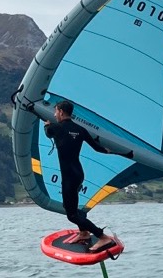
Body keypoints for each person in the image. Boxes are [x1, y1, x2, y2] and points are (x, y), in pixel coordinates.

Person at [43, 100, 116, 252]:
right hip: (78, 174)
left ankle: (102, 237)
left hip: (69, 176)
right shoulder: (80, 129)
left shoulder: (56, 127)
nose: (55, 114)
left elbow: (48, 132)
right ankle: (84, 233)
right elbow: (97, 148)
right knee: (72, 208)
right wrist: (110, 150)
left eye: (56, 111)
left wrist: (46, 124)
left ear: (61, 112)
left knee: (71, 215)